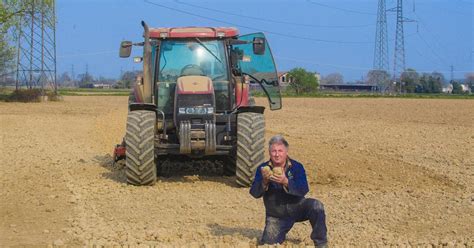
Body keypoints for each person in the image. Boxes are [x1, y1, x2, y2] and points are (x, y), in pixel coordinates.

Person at [250, 135, 328, 247]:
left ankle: (321, 243)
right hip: (276, 215)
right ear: (269, 152)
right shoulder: (263, 168)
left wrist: (286, 181)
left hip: (297, 207)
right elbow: (254, 193)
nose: (277, 154)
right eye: (274, 151)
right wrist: (264, 182)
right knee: (268, 244)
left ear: (286, 152)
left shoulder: (297, 167)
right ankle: (279, 231)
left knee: (316, 206)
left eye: (280, 151)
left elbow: (303, 189)